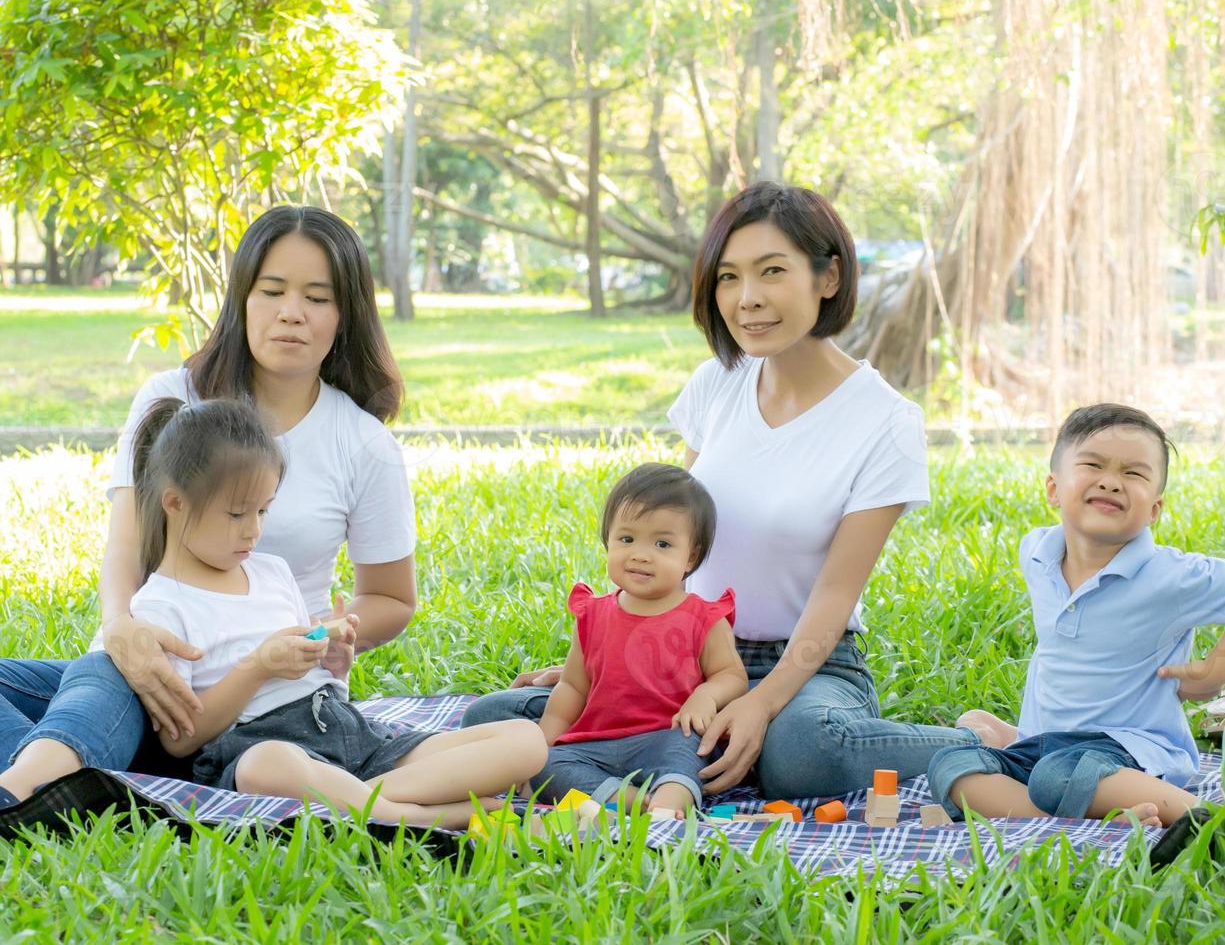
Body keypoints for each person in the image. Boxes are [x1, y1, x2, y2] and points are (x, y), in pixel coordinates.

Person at [464, 182, 996, 799]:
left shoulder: (886, 421)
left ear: (828, 277)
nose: (747, 300)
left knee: (800, 754)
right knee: (493, 721)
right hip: (686, 646)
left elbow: (832, 598)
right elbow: (674, 545)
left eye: (772, 272)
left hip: (808, 664)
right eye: (728, 277)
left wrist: (761, 704)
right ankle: (693, 754)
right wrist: (622, 658)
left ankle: (982, 743)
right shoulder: (717, 384)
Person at [1, 206, 418, 808]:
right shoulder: (173, 397)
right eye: (271, 290)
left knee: (108, 683)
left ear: (346, 312)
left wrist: (317, 637)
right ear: (241, 299)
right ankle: (72, 775)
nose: (291, 312)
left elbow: (392, 598)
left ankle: (34, 786)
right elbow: (125, 544)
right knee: (112, 671)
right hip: (154, 661)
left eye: (317, 297)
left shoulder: (363, 443)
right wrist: (122, 628)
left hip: (263, 707)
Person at [121, 395, 543, 826]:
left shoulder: (271, 572)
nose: (254, 530)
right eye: (236, 513)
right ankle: (414, 814)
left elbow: (313, 682)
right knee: (263, 767)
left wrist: (335, 665)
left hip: (340, 731)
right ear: (174, 503)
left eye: (263, 510)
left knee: (527, 740)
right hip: (265, 746)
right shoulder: (161, 605)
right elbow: (179, 741)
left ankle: (375, 803)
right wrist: (260, 666)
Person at [928, 404, 1222, 827]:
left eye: (1133, 474)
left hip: (1129, 750)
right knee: (952, 765)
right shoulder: (1036, 553)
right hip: (1042, 745)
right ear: (1053, 489)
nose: (1110, 481)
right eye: (1093, 465)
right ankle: (1078, 821)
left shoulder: (1169, 576)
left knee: (1057, 775)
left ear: (1154, 509)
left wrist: (1216, 669)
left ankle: (1202, 820)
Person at [529, 463, 746, 815]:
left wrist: (705, 696)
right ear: (608, 540)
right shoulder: (593, 614)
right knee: (543, 766)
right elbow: (572, 686)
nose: (640, 554)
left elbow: (732, 676)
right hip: (597, 740)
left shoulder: (702, 617)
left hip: (668, 734)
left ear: (690, 556)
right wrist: (547, 733)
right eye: (626, 539)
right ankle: (631, 802)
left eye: (662, 544)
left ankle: (669, 804)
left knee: (689, 753)